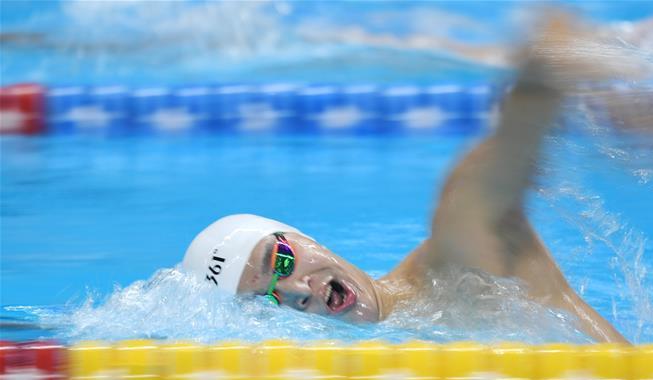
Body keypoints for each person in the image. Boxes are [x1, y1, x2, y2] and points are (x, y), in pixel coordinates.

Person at [182, 14, 629, 343]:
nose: (297, 291)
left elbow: (476, 184)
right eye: (270, 299)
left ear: (304, 238)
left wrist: (538, 84)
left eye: (281, 262)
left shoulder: (454, 269)